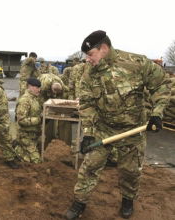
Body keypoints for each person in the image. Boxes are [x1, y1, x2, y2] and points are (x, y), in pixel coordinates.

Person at [66, 30, 170, 219]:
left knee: (131, 172)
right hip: (103, 130)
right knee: (89, 167)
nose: (88, 60)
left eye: (90, 54)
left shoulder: (136, 64)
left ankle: (128, 200)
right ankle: (79, 202)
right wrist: (89, 133)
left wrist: (157, 113)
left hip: (132, 132)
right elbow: (87, 104)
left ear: (104, 48)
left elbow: (161, 84)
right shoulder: (89, 74)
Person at [15, 78, 42, 163]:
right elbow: (21, 120)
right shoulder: (25, 100)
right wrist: (38, 119)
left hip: (33, 135)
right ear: (30, 87)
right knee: (36, 160)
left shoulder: (34, 99)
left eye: (39, 87)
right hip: (25, 135)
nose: (39, 90)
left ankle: (21, 150)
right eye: (36, 87)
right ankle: (17, 150)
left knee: (33, 157)